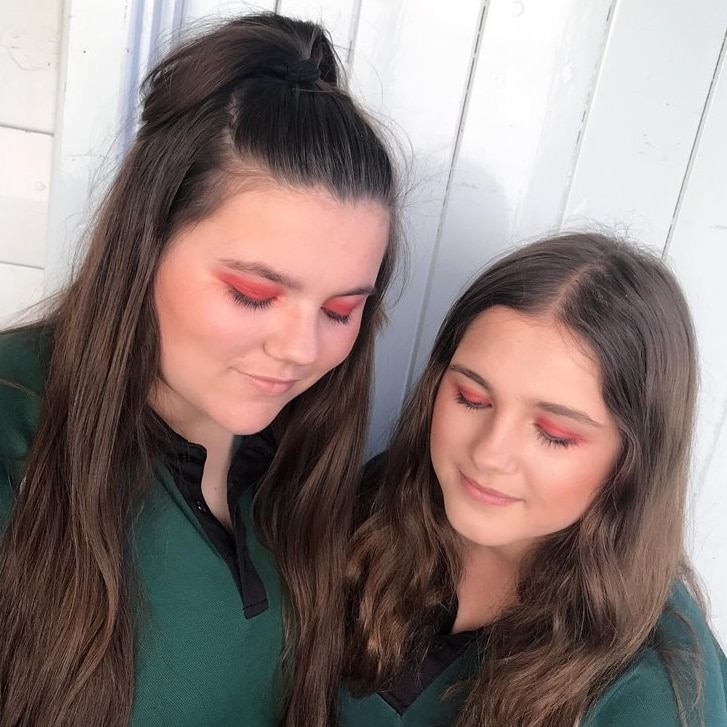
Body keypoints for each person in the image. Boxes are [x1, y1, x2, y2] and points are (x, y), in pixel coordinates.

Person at [0, 13, 400, 727]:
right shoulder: (15, 428)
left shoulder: (306, 460)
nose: (300, 348)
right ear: (146, 241)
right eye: (253, 294)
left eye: (341, 311)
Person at [341, 233, 727, 726]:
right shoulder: (382, 502)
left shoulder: (653, 695)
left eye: (554, 433)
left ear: (633, 463)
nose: (489, 454)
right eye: (472, 399)